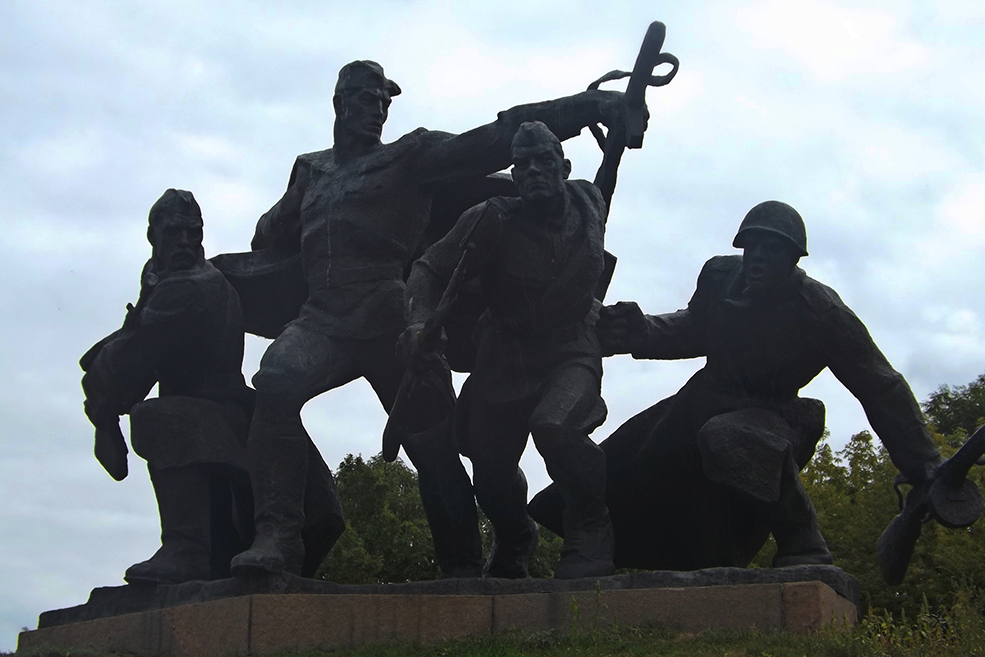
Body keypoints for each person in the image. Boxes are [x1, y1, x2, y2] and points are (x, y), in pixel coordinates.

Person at [231, 61, 629, 579]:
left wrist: (587, 107)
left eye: (383, 101)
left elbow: (497, 136)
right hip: (322, 319)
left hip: (391, 320)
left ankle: (461, 564)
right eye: (365, 98)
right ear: (339, 101)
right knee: (277, 383)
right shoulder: (310, 171)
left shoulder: (411, 157)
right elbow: (272, 234)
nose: (375, 109)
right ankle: (278, 537)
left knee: (433, 447)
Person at [532, 200, 943, 570]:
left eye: (772, 250)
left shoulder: (820, 310)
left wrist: (923, 463)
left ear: (793, 259)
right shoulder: (720, 276)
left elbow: (879, 384)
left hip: (775, 415)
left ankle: (803, 542)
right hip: (704, 400)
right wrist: (641, 331)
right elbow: (693, 328)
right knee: (631, 464)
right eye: (753, 248)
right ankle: (678, 558)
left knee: (729, 437)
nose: (758, 258)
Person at [403, 121, 614, 579]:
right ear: (514, 177)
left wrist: (617, 143)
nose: (534, 171)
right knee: (491, 475)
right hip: (505, 356)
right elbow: (428, 269)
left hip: (569, 347)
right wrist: (420, 321)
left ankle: (591, 529)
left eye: (545, 161)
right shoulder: (491, 218)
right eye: (523, 165)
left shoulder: (588, 200)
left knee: (555, 426)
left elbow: (605, 192)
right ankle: (517, 535)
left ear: (564, 167)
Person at [80, 189, 260, 584]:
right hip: (215, 422)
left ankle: (186, 550)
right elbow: (138, 343)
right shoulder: (166, 280)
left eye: (191, 232)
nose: (183, 241)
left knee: (157, 417)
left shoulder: (191, 288)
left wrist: (102, 413)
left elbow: (134, 358)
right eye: (173, 231)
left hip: (223, 422)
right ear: (152, 236)